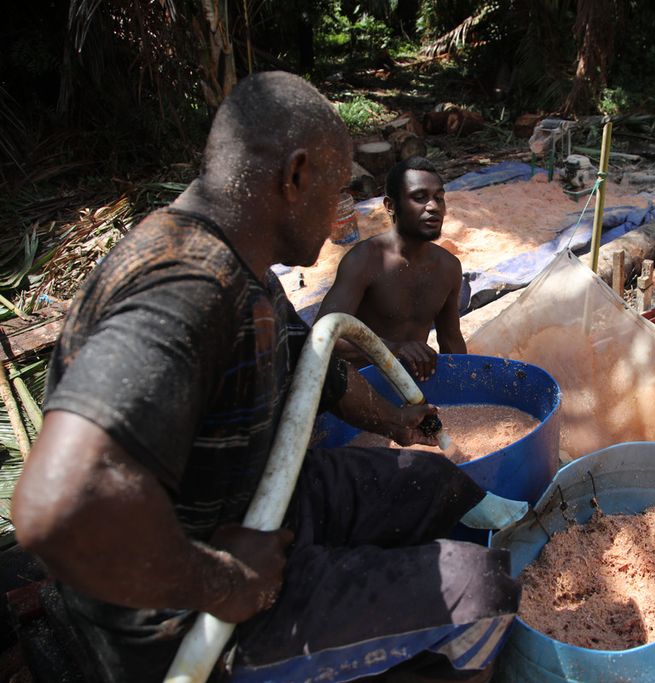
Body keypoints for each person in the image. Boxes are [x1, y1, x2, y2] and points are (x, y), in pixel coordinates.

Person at [12, 72, 519, 683]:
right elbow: (53, 506)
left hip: (260, 506)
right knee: (478, 589)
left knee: (436, 481)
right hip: (188, 610)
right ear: (296, 175)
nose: (339, 214)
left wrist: (395, 421)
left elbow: (316, 369)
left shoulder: (242, 266)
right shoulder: (184, 285)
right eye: (335, 190)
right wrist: (225, 579)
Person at [316, 156, 466, 381]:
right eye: (419, 197)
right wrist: (391, 349)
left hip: (412, 384)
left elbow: (451, 340)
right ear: (390, 206)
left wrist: (463, 389)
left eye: (439, 198)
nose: (433, 207)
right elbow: (324, 337)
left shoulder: (448, 268)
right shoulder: (364, 261)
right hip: (360, 388)